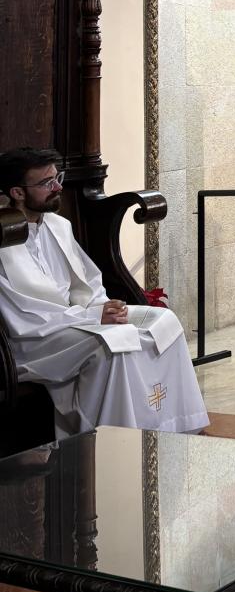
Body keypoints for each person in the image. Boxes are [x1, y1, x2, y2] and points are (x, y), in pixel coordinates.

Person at [0, 148, 209, 438]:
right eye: (47, 183)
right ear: (17, 192)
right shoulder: (4, 241)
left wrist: (104, 307)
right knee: (110, 344)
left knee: (164, 323)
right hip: (36, 341)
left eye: (57, 178)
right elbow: (26, 316)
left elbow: (87, 280)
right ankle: (114, 439)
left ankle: (177, 426)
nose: (58, 187)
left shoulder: (58, 226)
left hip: (76, 322)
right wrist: (92, 316)